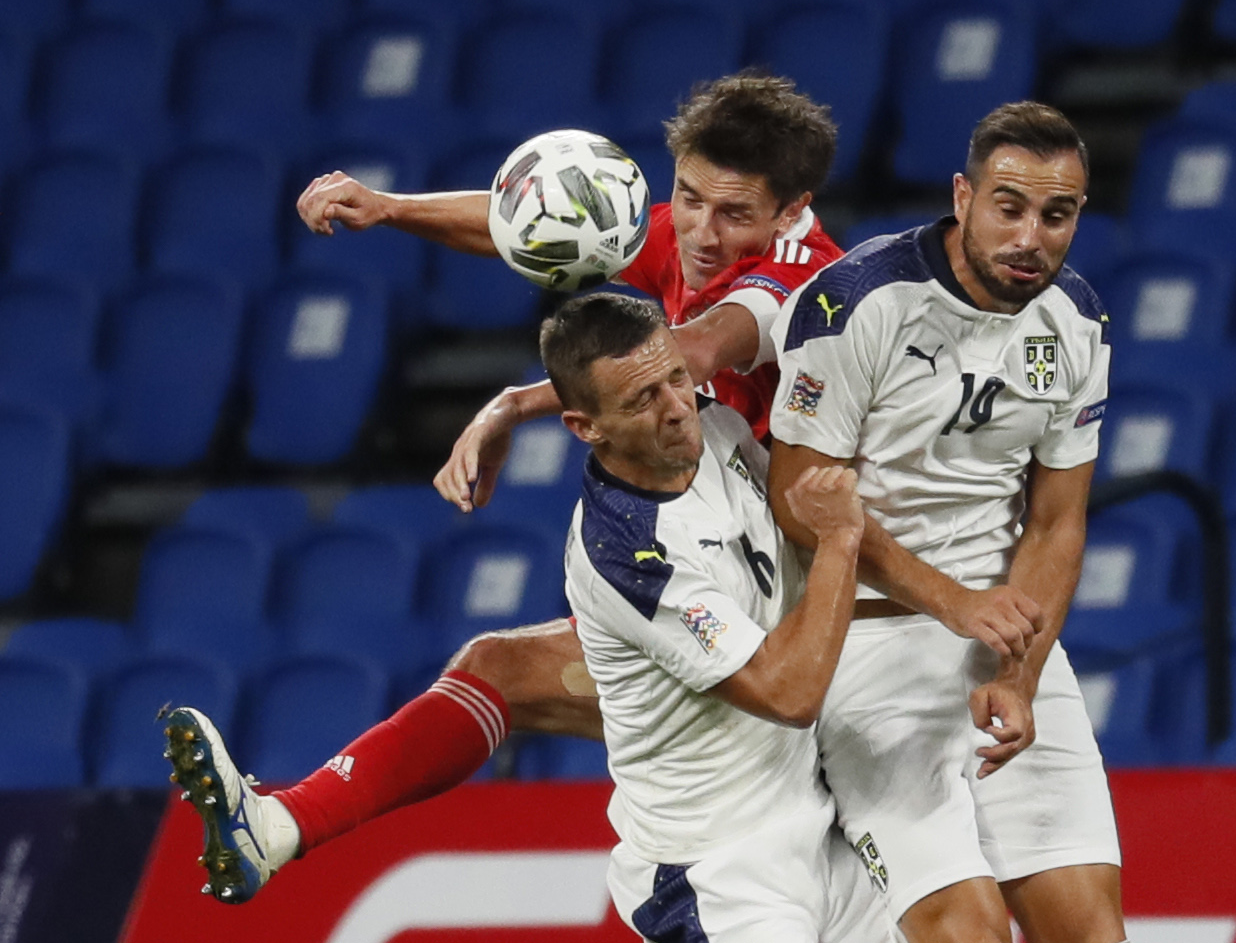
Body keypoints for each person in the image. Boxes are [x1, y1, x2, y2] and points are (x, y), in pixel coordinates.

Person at [166, 294, 894, 942]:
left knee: (501, 666)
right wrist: (840, 537)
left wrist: (512, 403)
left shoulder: (716, 406)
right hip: (723, 873)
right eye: (645, 398)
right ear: (584, 427)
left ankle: (286, 824)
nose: (675, 404)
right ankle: (286, 823)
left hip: (813, 808)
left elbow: (712, 346)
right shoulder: (629, 545)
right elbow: (789, 691)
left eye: (677, 379)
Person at [765, 101, 1126, 943]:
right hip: (864, 647)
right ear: (963, 196)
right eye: (1010, 206)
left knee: (1090, 930)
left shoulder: (1077, 320)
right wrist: (954, 601)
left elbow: (1057, 523)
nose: (1030, 235)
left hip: (1000, 647)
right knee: (965, 933)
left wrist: (1020, 674)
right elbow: (800, 501)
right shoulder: (855, 303)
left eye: (1057, 214)